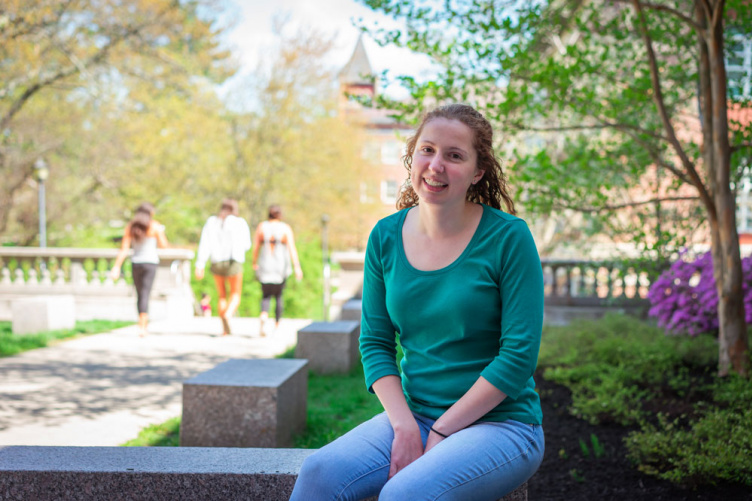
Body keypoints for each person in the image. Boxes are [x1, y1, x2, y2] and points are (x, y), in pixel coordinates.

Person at [290, 104, 545, 500]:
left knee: (404, 495)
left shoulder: (509, 239)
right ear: (413, 157)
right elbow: (375, 343)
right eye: (427, 150)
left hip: (502, 425)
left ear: (478, 172)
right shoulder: (385, 237)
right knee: (320, 472)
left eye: (454, 155)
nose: (436, 165)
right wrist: (404, 425)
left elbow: (518, 357)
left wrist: (442, 429)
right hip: (415, 414)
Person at [110, 202, 169, 337]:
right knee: (145, 293)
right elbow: (164, 245)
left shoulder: (131, 227)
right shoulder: (154, 226)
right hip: (150, 263)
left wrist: (116, 266)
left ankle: (141, 324)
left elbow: (124, 249)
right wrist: (161, 231)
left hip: (136, 263)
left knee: (139, 294)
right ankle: (143, 326)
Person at [195, 199, 252, 336]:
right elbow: (247, 245)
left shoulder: (212, 222)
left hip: (217, 261)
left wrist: (200, 264)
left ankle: (224, 330)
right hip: (234, 261)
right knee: (235, 293)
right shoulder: (240, 222)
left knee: (222, 295)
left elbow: (205, 244)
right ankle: (228, 314)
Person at [251, 205, 303, 336]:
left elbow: (256, 247)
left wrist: (254, 262)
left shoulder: (262, 226)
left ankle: (264, 314)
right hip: (280, 266)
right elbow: (292, 248)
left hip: (266, 264)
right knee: (279, 296)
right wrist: (297, 266)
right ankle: (277, 324)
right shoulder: (285, 228)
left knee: (266, 295)